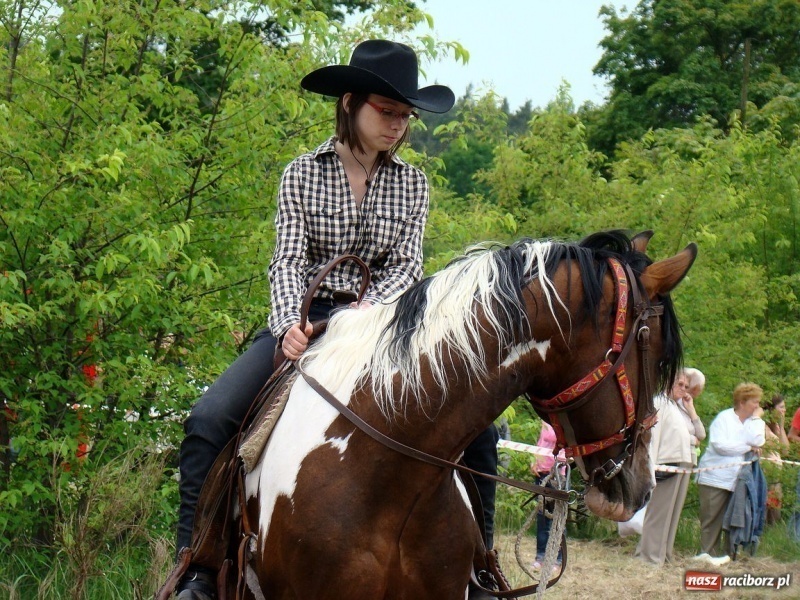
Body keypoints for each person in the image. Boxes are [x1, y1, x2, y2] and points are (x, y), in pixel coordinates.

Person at [172, 40, 455, 600]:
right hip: (305, 318)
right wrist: (288, 326)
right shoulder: (302, 173)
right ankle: (198, 568)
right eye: (387, 111)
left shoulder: (413, 184)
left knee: (478, 431)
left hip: (380, 325)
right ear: (350, 103)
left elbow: (405, 266)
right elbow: (286, 260)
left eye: (406, 116)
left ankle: (480, 566)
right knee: (209, 419)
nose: (398, 125)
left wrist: (366, 316)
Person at [636, 370, 705, 565]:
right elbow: (653, 437)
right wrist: (651, 467)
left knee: (671, 514)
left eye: (685, 386)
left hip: (681, 462)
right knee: (659, 513)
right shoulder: (659, 403)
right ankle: (649, 556)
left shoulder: (678, 407)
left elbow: (696, 435)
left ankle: (664, 553)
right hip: (665, 463)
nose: (683, 389)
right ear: (668, 382)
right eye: (679, 384)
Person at [695, 382, 766, 564]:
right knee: (712, 520)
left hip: (738, 480)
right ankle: (707, 555)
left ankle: (728, 557)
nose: (757, 406)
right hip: (714, 478)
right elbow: (720, 445)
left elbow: (758, 439)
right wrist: (747, 447)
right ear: (742, 402)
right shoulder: (724, 418)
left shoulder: (753, 422)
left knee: (734, 520)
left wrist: (757, 419)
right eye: (754, 402)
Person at [530, 421, 566, 573]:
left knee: (558, 518)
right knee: (542, 515)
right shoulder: (544, 421)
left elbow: (557, 440)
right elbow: (542, 441)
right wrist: (535, 461)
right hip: (542, 471)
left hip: (559, 472)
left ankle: (557, 559)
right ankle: (540, 557)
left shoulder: (562, 422)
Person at [761, 394, 790, 524]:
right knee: (764, 512)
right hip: (766, 474)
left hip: (776, 478)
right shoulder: (762, 426)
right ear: (772, 409)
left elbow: (785, 450)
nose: (784, 410)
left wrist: (781, 427)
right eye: (781, 407)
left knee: (774, 515)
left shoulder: (776, 428)